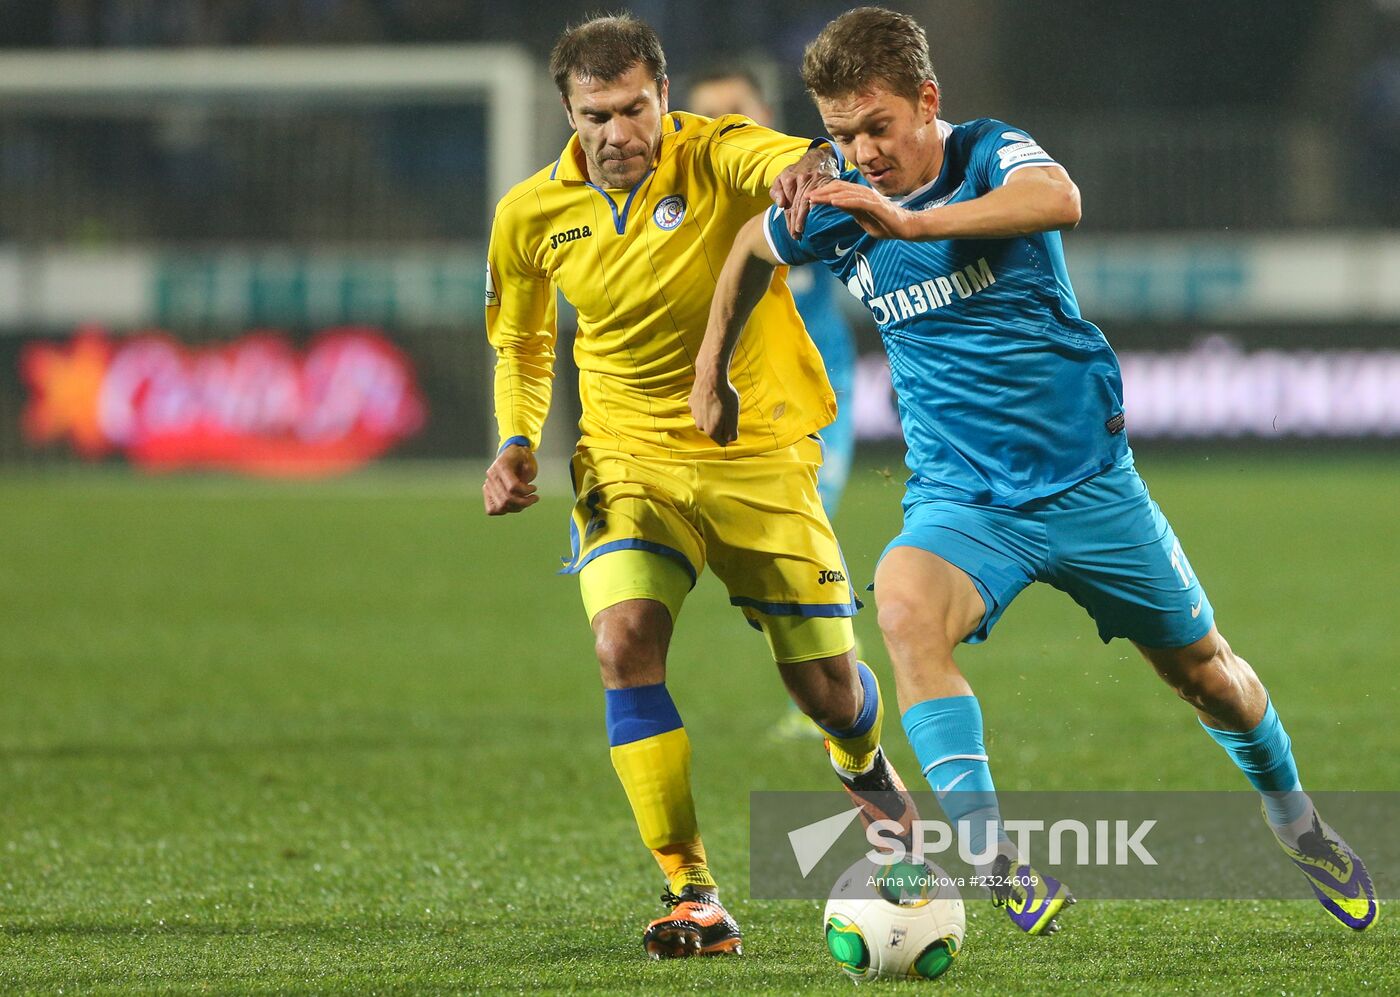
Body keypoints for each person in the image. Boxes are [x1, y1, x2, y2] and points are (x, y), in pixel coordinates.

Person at [691, 6, 1377, 935]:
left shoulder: (989, 154)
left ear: (927, 100)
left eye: (878, 127)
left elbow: (1060, 200)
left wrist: (906, 219)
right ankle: (992, 856)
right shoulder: (837, 204)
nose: (863, 152)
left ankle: (1297, 820)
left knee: (1207, 675)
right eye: (842, 134)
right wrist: (711, 374)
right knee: (899, 602)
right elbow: (745, 249)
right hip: (965, 499)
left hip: (1090, 484)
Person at [482, 14, 918, 960]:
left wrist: (806, 169)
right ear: (569, 112)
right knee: (623, 639)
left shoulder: (712, 153)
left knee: (826, 688)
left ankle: (864, 766)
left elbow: (783, 158)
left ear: (663, 99)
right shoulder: (528, 215)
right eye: (596, 114)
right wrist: (517, 439)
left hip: (755, 449)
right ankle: (693, 892)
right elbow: (519, 338)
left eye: (635, 107)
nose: (618, 133)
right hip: (628, 455)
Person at [688, 65, 861, 744]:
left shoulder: (804, 187)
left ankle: (833, 696)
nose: (723, 125)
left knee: (804, 535)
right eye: (708, 114)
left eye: (737, 109)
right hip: (736, 397)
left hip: (819, 398)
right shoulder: (687, 203)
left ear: (765, 111)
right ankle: (829, 690)